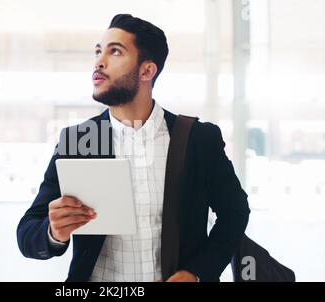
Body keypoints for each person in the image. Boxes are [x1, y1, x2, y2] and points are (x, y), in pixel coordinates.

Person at [17, 14, 250, 282]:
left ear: (147, 71)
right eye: (98, 51)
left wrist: (196, 273)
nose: (99, 62)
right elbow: (27, 232)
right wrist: (54, 232)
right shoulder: (78, 140)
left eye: (115, 51)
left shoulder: (198, 139)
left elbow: (235, 213)